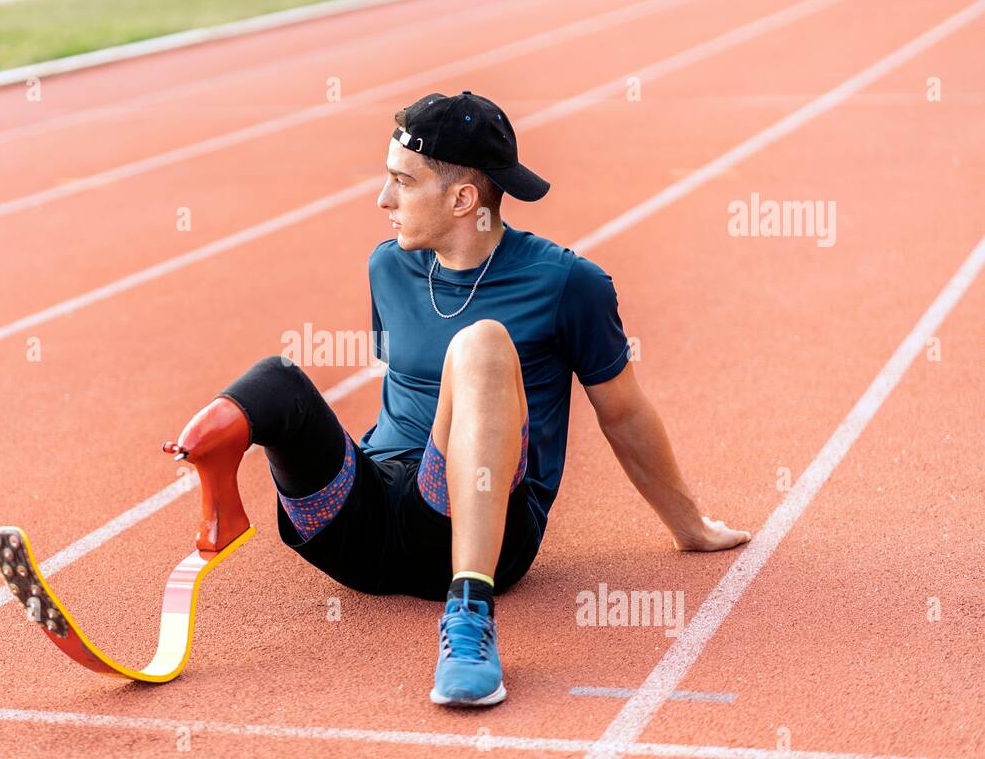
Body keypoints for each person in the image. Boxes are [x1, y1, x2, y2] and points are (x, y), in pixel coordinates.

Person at [163, 90, 751, 707]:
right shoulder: (387, 267)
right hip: (358, 530)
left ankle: (470, 620)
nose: (382, 200)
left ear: (463, 198)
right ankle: (216, 486)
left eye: (401, 182)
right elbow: (403, 395)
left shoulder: (568, 284)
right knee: (275, 379)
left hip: (470, 529)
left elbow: (624, 412)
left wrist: (689, 527)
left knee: (482, 346)